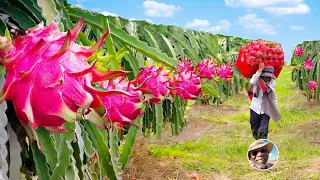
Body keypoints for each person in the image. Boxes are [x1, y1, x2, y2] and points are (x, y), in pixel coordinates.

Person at [248, 62, 280, 140]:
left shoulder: (272, 83)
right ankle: (257, 140)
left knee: (263, 129)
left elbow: (273, 97)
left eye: (269, 77)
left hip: (266, 109)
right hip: (255, 108)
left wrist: (275, 109)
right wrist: (259, 70)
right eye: (266, 76)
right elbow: (252, 81)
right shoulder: (256, 80)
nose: (267, 78)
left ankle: (264, 144)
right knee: (254, 125)